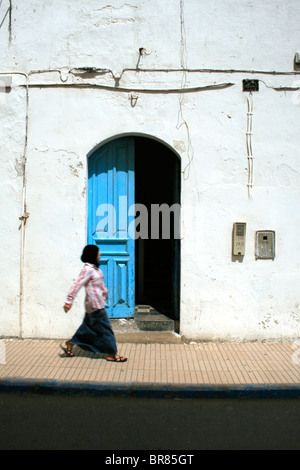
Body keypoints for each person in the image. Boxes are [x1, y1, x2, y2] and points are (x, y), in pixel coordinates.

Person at [61, 244, 127, 362]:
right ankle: (112, 354)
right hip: (94, 305)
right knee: (106, 329)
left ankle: (70, 343)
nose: (100, 254)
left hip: (97, 304)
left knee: (86, 329)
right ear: (92, 255)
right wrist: (69, 301)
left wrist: (105, 294)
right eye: (98, 252)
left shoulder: (96, 269)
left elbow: (100, 286)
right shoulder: (88, 270)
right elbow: (77, 285)